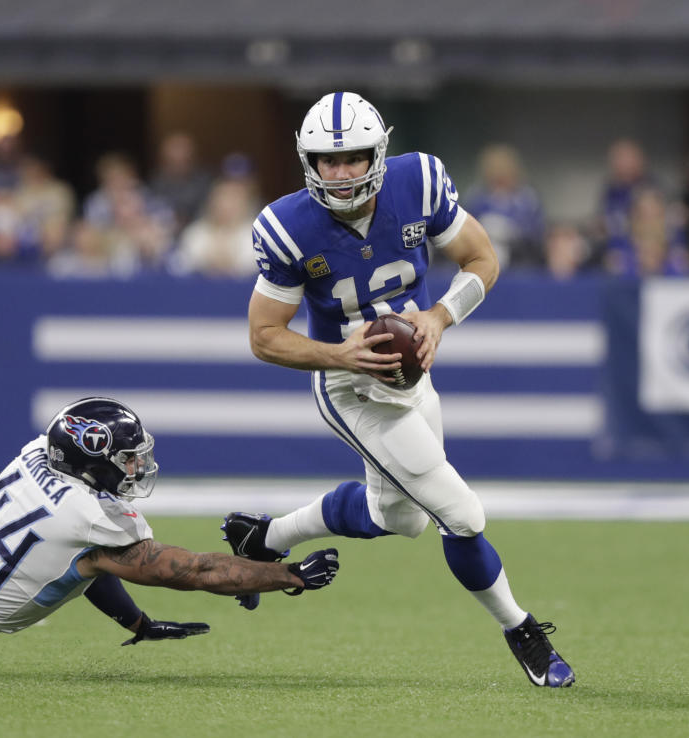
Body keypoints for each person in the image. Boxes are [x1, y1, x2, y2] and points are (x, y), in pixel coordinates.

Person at [225, 91, 574, 688]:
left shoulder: (420, 182)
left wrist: (438, 317)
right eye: (326, 161)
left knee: (399, 518)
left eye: (352, 158)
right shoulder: (288, 227)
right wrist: (339, 354)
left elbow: (483, 258)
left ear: (378, 154)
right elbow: (264, 336)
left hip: (411, 373)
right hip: (349, 386)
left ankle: (263, 536)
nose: (338, 173)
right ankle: (521, 629)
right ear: (307, 161)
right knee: (461, 515)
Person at [0, 397, 339, 676]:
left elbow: (85, 565)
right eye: (127, 458)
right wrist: (285, 574)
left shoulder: (34, 454)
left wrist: (134, 621)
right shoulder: (93, 516)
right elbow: (192, 570)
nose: (136, 466)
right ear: (93, 462)